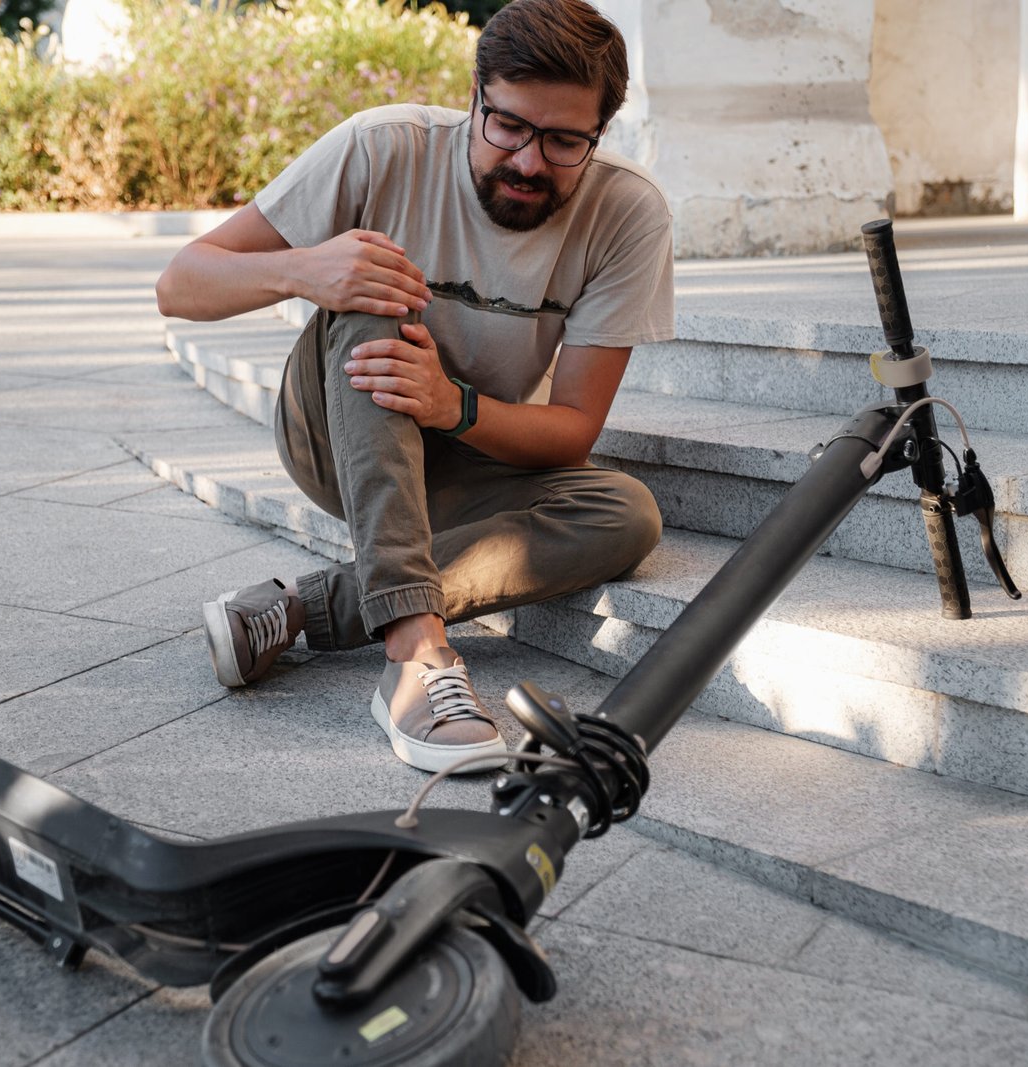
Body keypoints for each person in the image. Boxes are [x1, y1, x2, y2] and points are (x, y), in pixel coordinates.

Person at [155, 0, 674, 774]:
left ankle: (299, 608)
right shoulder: (381, 147)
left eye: (565, 140)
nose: (530, 161)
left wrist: (452, 405)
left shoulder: (628, 214)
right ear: (474, 97)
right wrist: (304, 268)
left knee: (625, 514)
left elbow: (571, 428)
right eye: (508, 126)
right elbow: (180, 284)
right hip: (338, 429)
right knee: (375, 294)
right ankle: (417, 653)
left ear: (601, 133)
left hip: (465, 450)